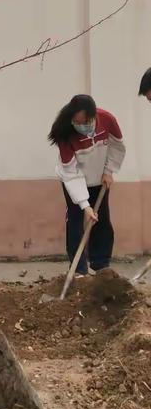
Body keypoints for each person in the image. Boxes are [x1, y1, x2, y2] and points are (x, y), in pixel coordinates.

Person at [49, 94, 126, 276]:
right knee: (76, 222)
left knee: (102, 219)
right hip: (74, 179)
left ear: (93, 115)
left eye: (85, 121)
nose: (82, 125)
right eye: (77, 121)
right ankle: (79, 269)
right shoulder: (64, 133)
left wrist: (109, 171)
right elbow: (70, 172)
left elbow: (117, 146)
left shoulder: (107, 119)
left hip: (100, 178)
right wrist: (85, 205)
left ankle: (101, 265)